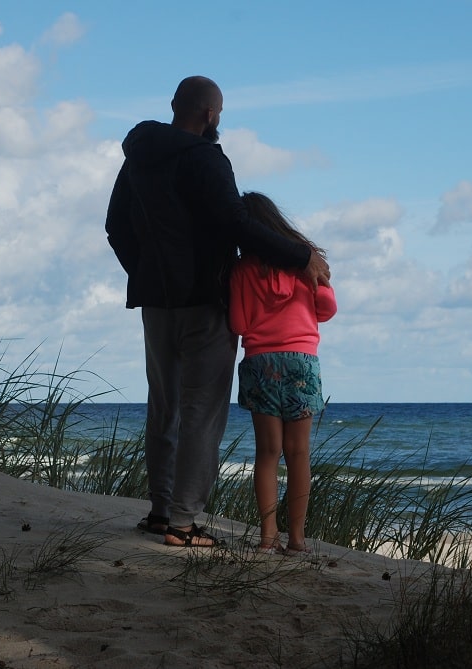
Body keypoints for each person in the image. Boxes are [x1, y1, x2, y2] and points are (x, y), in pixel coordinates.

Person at [105, 76, 330, 548]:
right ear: (209, 114)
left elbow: (115, 226)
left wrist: (145, 272)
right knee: (202, 413)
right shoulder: (206, 158)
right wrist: (299, 255)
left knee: (163, 409)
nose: (219, 120)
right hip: (204, 302)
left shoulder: (139, 158)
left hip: (156, 302)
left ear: (174, 106)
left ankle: (161, 512)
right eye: (220, 113)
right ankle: (183, 524)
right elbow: (237, 222)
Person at [229, 192, 337, 555]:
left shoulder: (243, 270)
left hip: (261, 363)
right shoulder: (305, 264)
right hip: (302, 362)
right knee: (299, 453)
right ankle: (297, 539)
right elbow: (327, 309)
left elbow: (239, 323)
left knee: (268, 453)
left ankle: (266, 538)